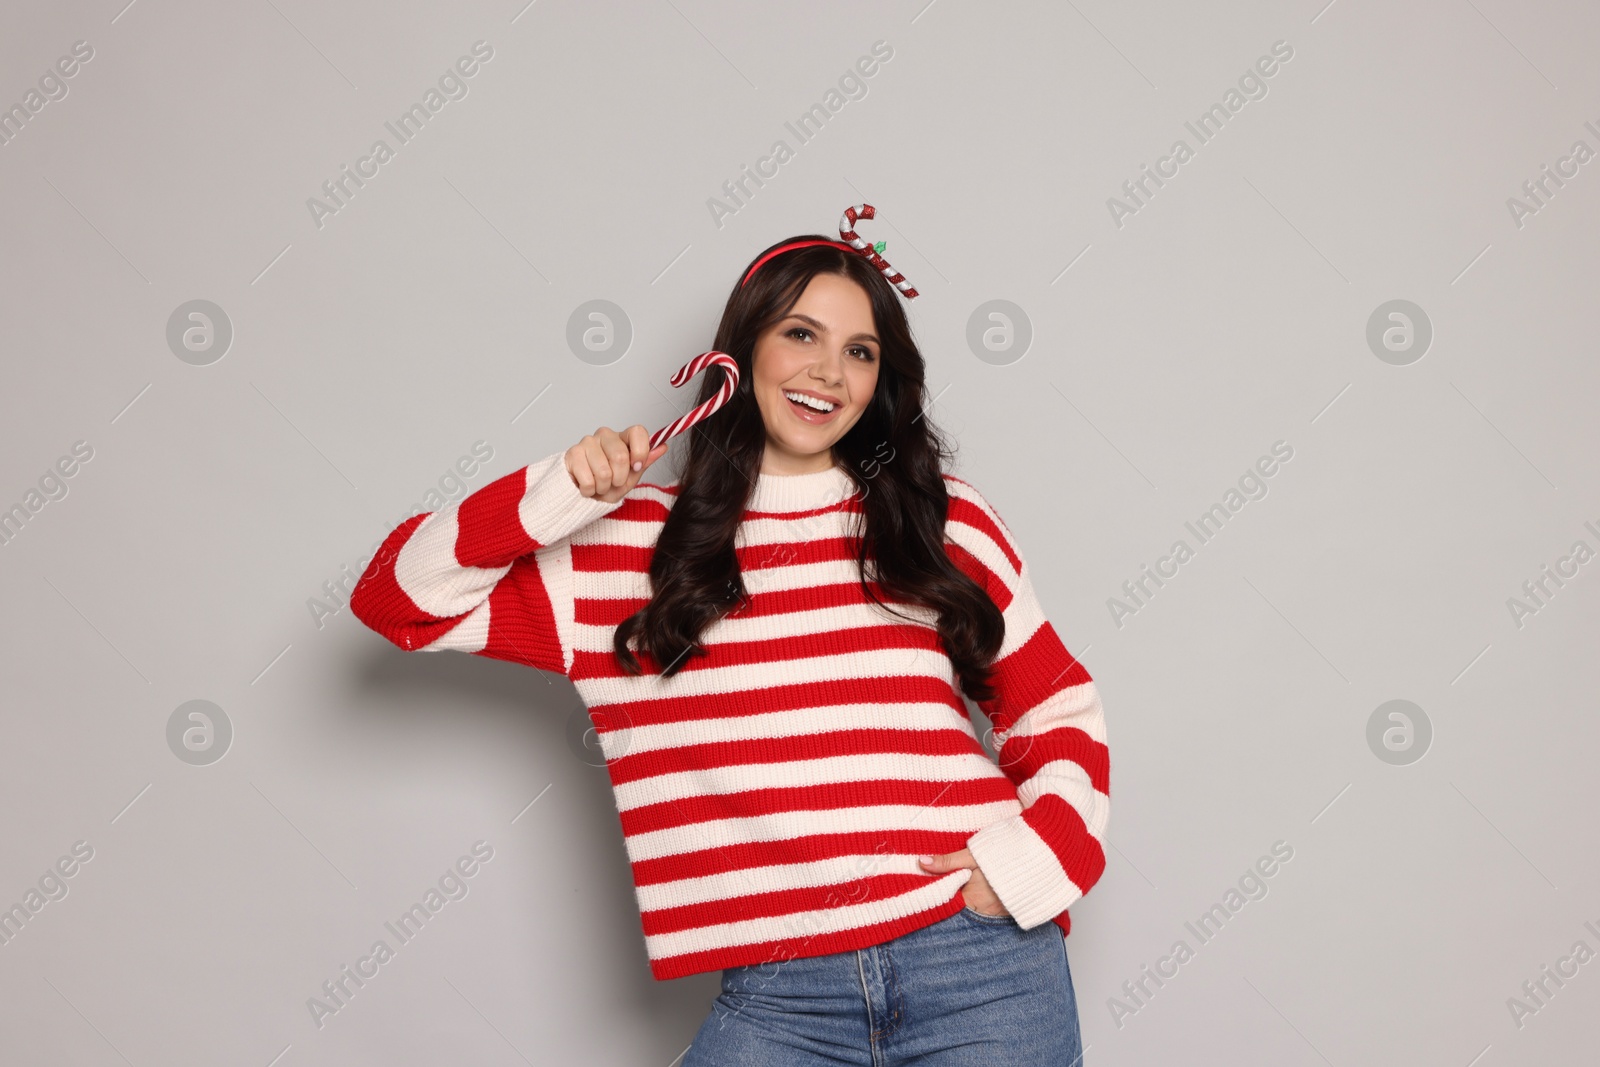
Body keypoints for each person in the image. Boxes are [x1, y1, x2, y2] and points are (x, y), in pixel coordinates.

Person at [350, 225, 1109, 1065]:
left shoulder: (939, 519)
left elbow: (1056, 706)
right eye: (800, 334)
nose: (827, 370)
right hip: (779, 996)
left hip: (979, 966)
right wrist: (557, 489)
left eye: (859, 350)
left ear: (879, 379)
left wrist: (1032, 863)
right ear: (738, 352)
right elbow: (395, 598)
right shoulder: (620, 548)